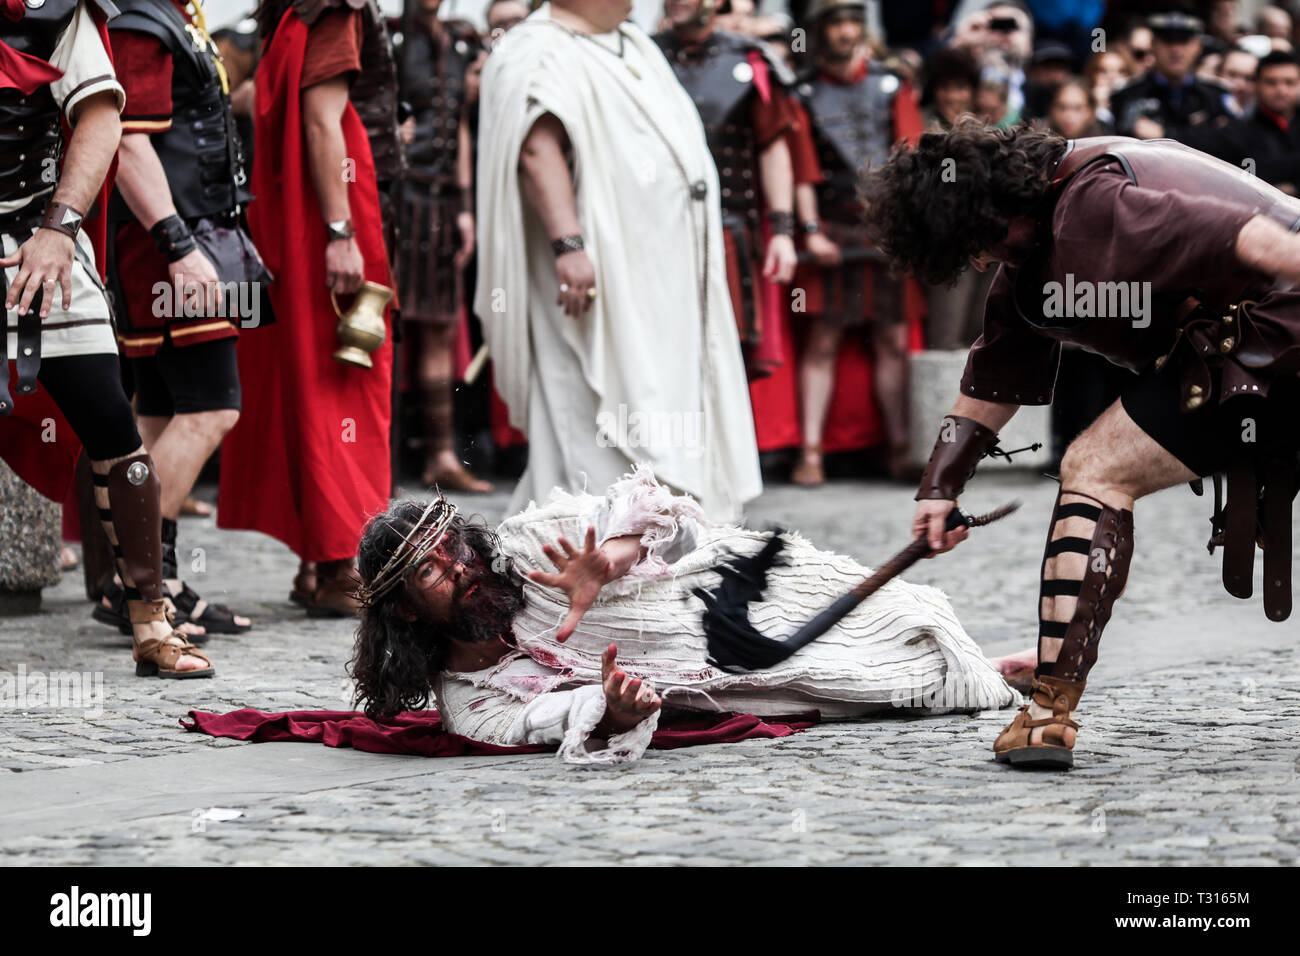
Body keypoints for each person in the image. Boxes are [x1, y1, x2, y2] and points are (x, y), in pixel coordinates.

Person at [862, 123, 1300, 769]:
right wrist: (939, 489)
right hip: (1262, 344)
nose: (981, 260)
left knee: (1096, 468)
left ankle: (1047, 715)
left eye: (980, 244)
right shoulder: (1045, 228)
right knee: (1098, 463)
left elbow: (1253, 239)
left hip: (1273, 339)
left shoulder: (1095, 204)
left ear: (993, 209)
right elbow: (997, 374)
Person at [348, 466, 1019, 763]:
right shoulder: (468, 699)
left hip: (720, 589)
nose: (462, 568)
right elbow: (531, 724)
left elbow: (653, 512)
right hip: (731, 671)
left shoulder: (528, 545)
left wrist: (609, 559)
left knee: (900, 615)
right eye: (432, 571)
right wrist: (610, 710)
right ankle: (992, 671)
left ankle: (996, 665)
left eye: (453, 548)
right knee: (889, 682)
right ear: (405, 611)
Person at [474, 0, 762, 521]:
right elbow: (536, 149)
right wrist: (570, 245)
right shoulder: (536, 50)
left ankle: (673, 531)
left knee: (669, 400)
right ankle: (597, 544)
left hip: (662, 278)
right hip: (596, 278)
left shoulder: (636, 43)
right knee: (591, 417)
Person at [1, 0, 212, 678]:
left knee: (114, 429)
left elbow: (100, 118)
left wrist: (60, 230)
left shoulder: (56, 10)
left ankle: (150, 616)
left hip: (38, 236)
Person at [219, 0, 401, 616]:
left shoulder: (288, 14)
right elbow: (324, 124)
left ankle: (317, 561)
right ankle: (341, 568)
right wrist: (340, 231)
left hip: (291, 219)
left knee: (311, 378)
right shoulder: (333, 9)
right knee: (346, 378)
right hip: (327, 214)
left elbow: (254, 99)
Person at [99, 0, 266, 638]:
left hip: (186, 241)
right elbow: (130, 141)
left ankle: (154, 581)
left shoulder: (168, 13)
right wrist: (179, 247)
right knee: (211, 406)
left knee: (162, 411)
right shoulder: (142, 20)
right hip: (173, 247)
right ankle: (137, 584)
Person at [790, 0, 923, 485]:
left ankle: (901, 448)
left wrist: (906, 226)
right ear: (820, 32)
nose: (846, 32)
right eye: (836, 24)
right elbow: (802, 167)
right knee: (823, 340)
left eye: (852, 22)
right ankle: (810, 453)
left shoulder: (890, 84)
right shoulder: (800, 91)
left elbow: (910, 156)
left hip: (884, 226)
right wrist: (808, 230)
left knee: (891, 337)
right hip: (831, 225)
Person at [653, 0, 798, 380]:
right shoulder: (641, 56)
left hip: (728, 232)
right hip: (654, 230)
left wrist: (782, 233)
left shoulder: (750, 58)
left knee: (726, 357)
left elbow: (773, 148)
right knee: (659, 352)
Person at [392, 0, 491, 493]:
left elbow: (462, 128)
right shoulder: (387, 38)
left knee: (437, 328)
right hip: (396, 198)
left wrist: (466, 206)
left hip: (442, 201)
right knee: (385, 328)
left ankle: (441, 456)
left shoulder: (459, 45)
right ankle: (380, 457)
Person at [1110, 11, 1237, 142]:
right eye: (1167, 41)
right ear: (1153, 45)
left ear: (1198, 46)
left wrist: (1165, 134)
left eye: (1184, 41)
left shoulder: (1216, 95)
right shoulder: (1127, 95)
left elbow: (1231, 142)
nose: (1176, 50)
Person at [1185, 50, 1300, 195]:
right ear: (1257, 84)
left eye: (1289, 82)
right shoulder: (1239, 130)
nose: (1281, 90)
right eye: (1271, 82)